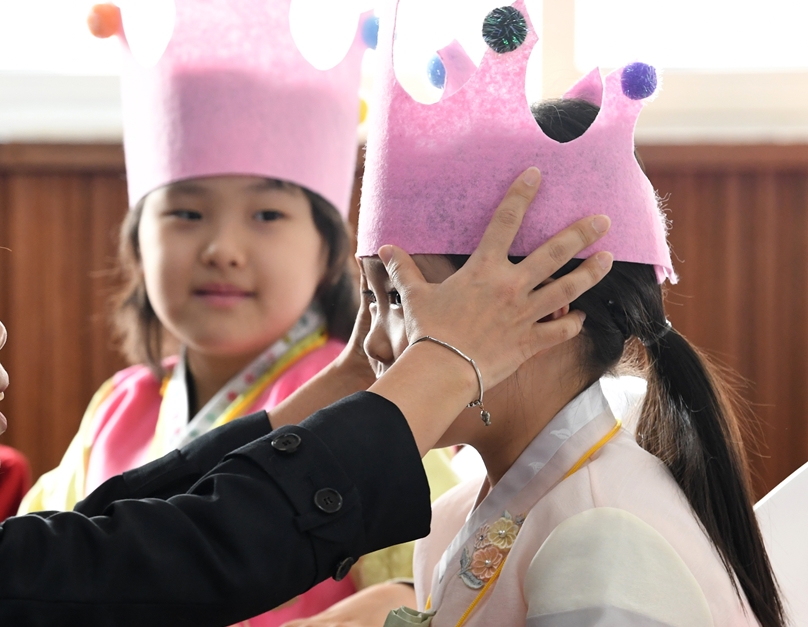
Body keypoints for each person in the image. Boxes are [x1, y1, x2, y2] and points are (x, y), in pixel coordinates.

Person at [0, 125, 611, 625]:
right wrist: (441, 372)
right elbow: (113, 574)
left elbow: (80, 541)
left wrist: (346, 390)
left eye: (267, 214)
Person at [301, 3, 784, 626]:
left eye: (400, 298)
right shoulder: (454, 516)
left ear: (544, 308)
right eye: (370, 298)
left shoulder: (600, 535)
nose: (374, 343)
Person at [21, 2, 458, 622]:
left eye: (267, 215)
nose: (222, 250)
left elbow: (432, 586)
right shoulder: (117, 407)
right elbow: (32, 562)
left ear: (330, 249)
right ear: (137, 241)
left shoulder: (369, 400)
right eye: (186, 213)